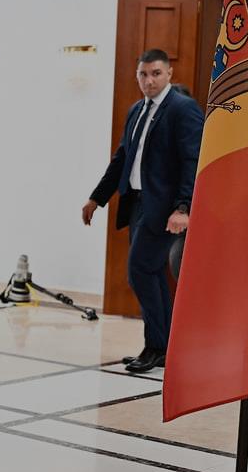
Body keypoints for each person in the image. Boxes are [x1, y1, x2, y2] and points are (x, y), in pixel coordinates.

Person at [83, 49, 203, 373]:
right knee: (151, 272)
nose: (149, 81)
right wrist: (97, 198)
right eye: (143, 74)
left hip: (165, 209)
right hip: (137, 203)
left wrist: (183, 207)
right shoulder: (137, 110)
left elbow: (192, 161)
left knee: (139, 270)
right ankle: (165, 347)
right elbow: (122, 158)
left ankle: (156, 346)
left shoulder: (182, 109)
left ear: (169, 73)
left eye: (156, 74)